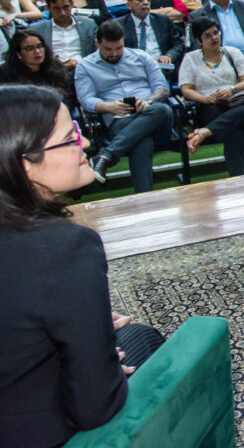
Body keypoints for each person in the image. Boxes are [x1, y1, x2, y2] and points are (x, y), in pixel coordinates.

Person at [0, 84, 166, 446]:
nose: (86, 144)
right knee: (143, 339)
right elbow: (95, 407)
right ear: (27, 164)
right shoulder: (66, 249)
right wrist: (100, 351)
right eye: (70, 137)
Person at [75, 20, 173, 190]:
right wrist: (109, 107)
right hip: (119, 120)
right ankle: (146, 199)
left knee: (161, 109)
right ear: (97, 44)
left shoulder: (141, 56)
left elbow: (163, 89)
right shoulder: (85, 66)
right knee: (142, 142)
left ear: (124, 41)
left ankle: (106, 155)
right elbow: (86, 99)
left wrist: (148, 102)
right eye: (108, 49)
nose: (114, 53)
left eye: (119, 48)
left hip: (155, 117)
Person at [177, 15, 244, 177]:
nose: (214, 38)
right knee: (233, 129)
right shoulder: (190, 59)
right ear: (198, 40)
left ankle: (204, 132)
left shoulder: (233, 52)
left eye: (216, 33)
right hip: (209, 107)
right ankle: (237, 176)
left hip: (236, 103)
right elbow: (186, 89)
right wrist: (205, 98)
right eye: (207, 35)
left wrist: (232, 90)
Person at [118, 0, 185, 75]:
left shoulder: (163, 20)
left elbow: (178, 44)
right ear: (129, 5)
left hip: (160, 70)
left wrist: (169, 56)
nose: (146, 2)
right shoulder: (119, 25)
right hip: (132, 71)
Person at [30, 0, 98, 72]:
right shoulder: (37, 29)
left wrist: (81, 62)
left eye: (66, 7)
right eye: (56, 9)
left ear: (72, 4)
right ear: (48, 8)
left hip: (84, 69)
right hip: (51, 72)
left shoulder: (88, 25)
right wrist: (53, 64)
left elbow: (96, 53)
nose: (62, 13)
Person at [0, 29, 68, 100]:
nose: (37, 52)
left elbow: (67, 97)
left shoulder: (56, 67)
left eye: (39, 46)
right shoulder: (5, 73)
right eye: (30, 48)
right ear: (18, 54)